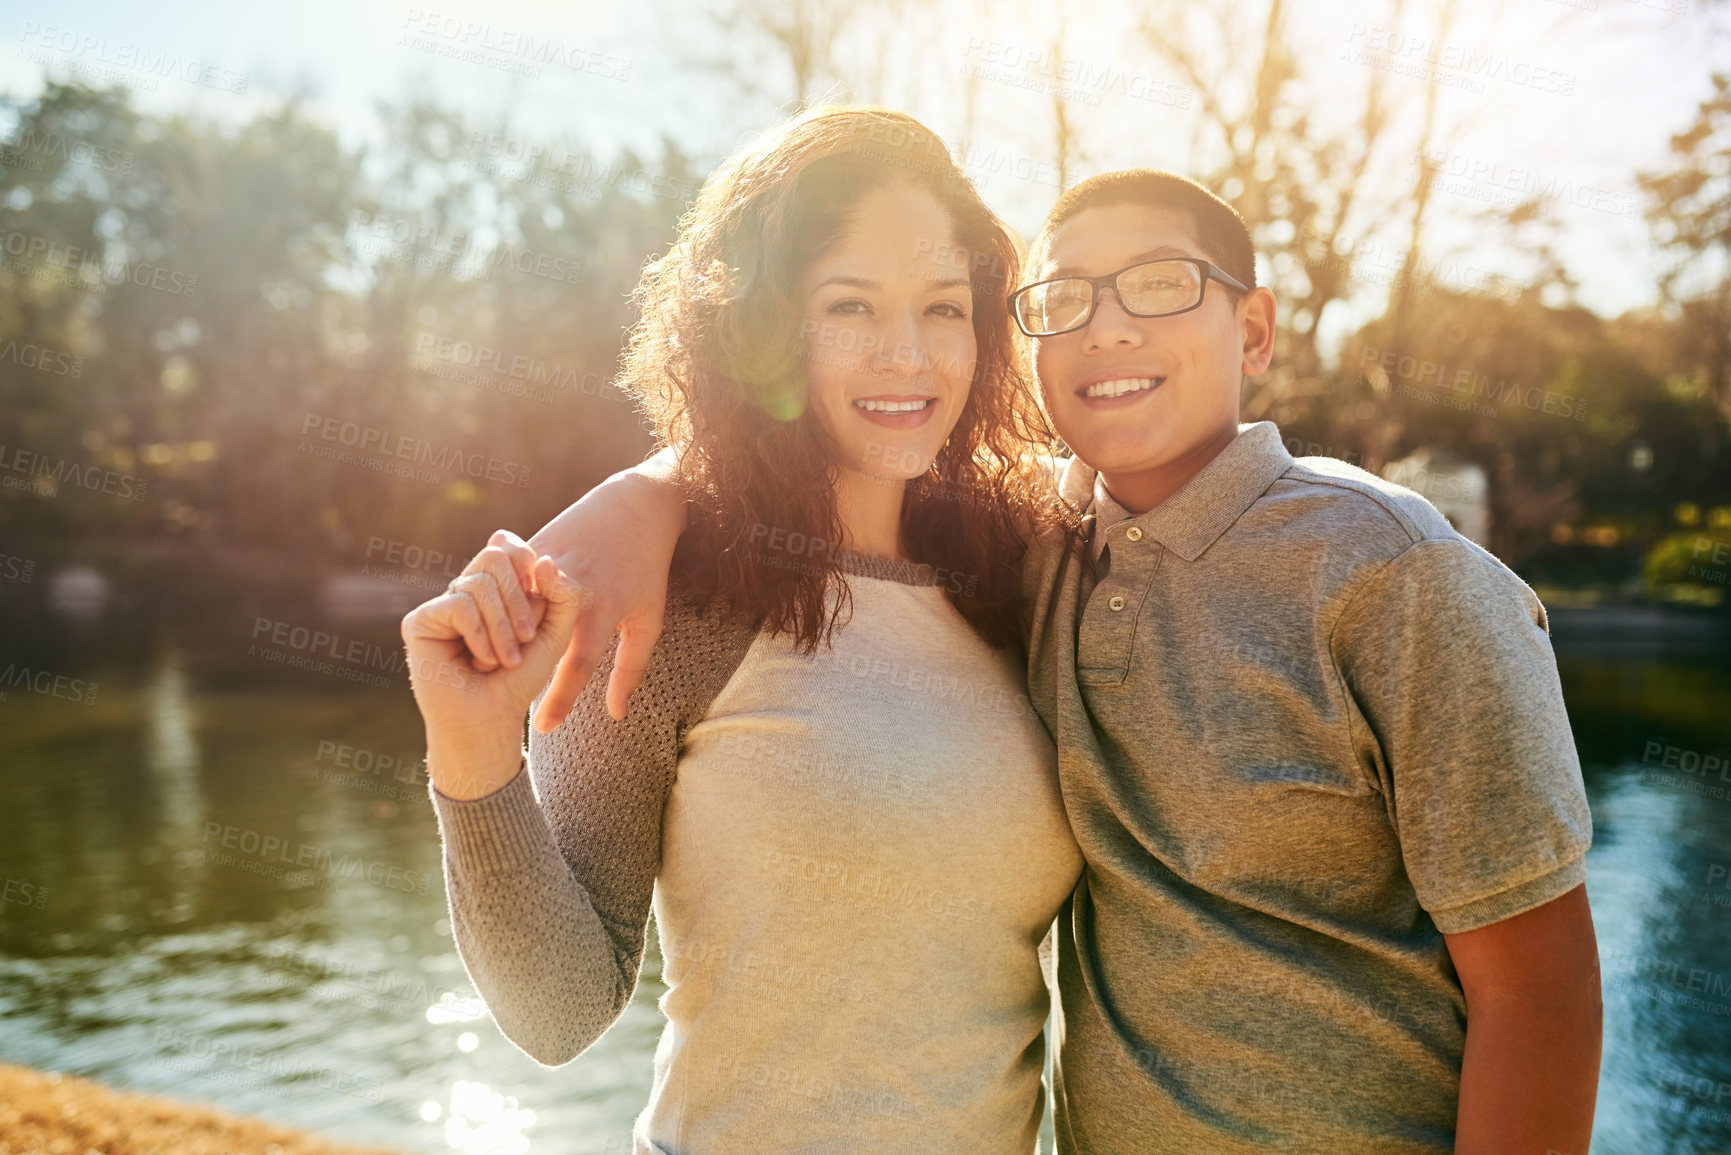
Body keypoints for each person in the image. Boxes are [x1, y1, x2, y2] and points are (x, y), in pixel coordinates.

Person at [537, 168, 1604, 1154]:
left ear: (1256, 328)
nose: (1109, 328)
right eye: (1064, 299)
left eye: (1160, 285)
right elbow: (832, 440)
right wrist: (649, 493)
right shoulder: (1030, 547)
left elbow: (1542, 995)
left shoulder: (1398, 574)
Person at [400, 106, 1083, 1155]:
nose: (908, 356)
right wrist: (474, 754)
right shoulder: (668, 603)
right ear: (761, 328)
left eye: (945, 308)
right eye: (849, 306)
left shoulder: (1026, 571)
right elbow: (558, 1013)